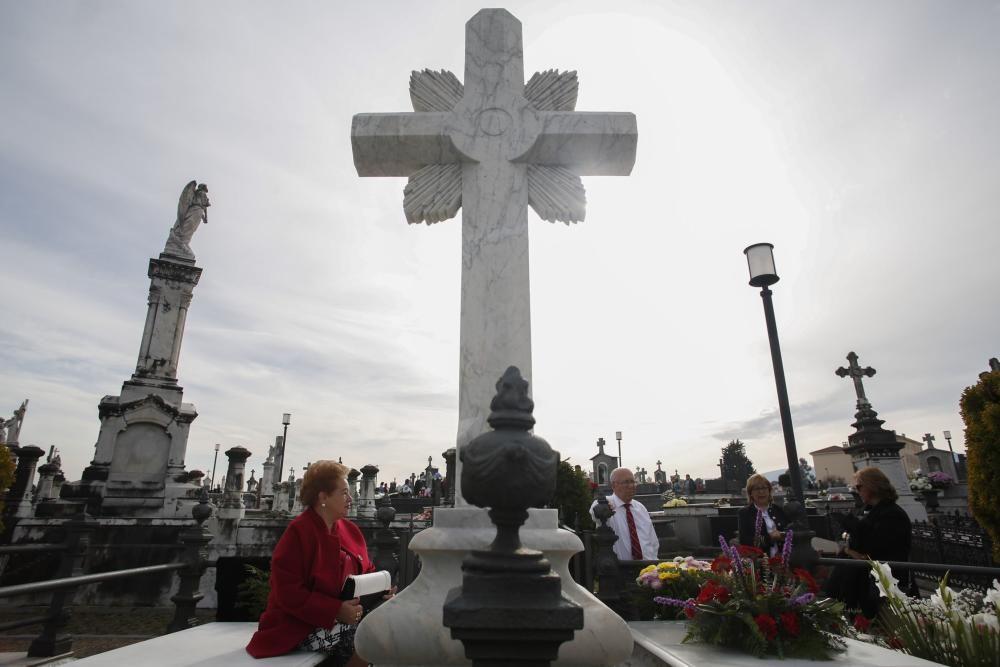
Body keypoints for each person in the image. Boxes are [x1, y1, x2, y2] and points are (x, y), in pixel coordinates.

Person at [247, 460, 374, 665]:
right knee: (368, 640)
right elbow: (287, 591)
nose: (350, 499)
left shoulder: (351, 531)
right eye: (343, 493)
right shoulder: (299, 533)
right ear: (323, 497)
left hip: (348, 618)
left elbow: (368, 571)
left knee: (391, 626)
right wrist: (335, 610)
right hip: (299, 626)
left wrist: (382, 591)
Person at [823, 467, 912, 618]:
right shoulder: (874, 511)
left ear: (872, 486)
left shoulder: (891, 514)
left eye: (858, 487)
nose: (857, 491)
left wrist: (847, 550)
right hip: (868, 581)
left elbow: (872, 548)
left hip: (884, 583)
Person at [589, 467, 659, 561]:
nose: (631, 486)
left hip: (647, 566)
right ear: (614, 485)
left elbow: (652, 540)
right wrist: (605, 507)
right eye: (626, 482)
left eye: (633, 482)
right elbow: (595, 512)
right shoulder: (605, 503)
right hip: (622, 568)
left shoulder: (640, 508)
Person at [737, 474, 789, 556]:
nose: (761, 492)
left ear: (769, 491)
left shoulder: (779, 510)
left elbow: (790, 530)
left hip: (783, 558)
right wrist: (769, 538)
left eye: (764, 488)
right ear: (751, 493)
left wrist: (782, 534)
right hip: (761, 561)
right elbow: (745, 540)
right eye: (757, 489)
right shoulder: (745, 513)